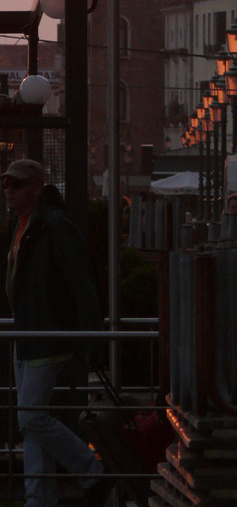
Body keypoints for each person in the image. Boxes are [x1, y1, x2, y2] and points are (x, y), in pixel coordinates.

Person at [3, 159, 112, 507]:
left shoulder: (51, 224)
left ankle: (91, 471)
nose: (8, 190)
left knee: (31, 415)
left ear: (36, 187)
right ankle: (39, 498)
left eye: (16, 184)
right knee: (32, 421)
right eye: (6, 184)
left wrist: (92, 336)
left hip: (45, 334)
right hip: (29, 333)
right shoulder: (25, 224)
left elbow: (80, 280)